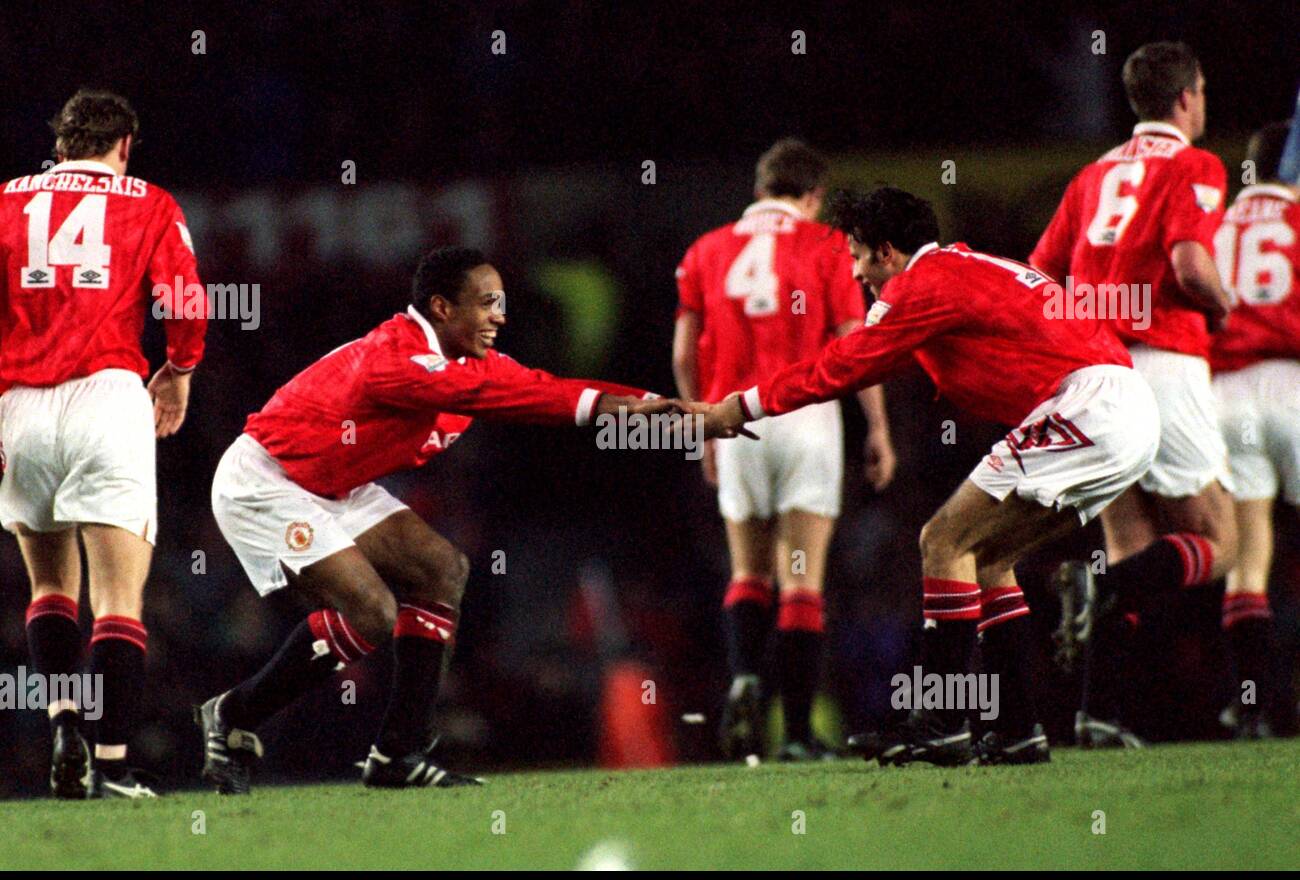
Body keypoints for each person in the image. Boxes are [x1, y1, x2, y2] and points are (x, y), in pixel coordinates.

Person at [695, 186, 1159, 766]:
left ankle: (942, 724)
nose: (859, 273)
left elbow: (846, 363)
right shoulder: (963, 267)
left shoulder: (921, 283)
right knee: (986, 558)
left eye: (860, 256)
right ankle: (1017, 730)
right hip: (1120, 404)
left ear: (887, 252)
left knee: (942, 539)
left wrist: (742, 406)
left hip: (1091, 404)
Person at [198, 246, 684, 793]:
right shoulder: (394, 359)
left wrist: (668, 410)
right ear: (442, 308)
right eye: (486, 303)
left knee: (441, 569)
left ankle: (398, 755)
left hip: (335, 480)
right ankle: (234, 714)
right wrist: (633, 411)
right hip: (268, 479)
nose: (500, 315)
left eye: (501, 302)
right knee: (372, 611)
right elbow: (511, 399)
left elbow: (545, 389)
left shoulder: (468, 363)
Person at [0, 89, 208, 798]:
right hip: (108, 398)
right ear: (124, 147)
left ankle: (63, 724)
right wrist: (178, 372)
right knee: (118, 597)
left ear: (59, 147)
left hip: (20, 405)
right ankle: (114, 763)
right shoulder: (145, 200)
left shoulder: (5, 199)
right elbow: (183, 298)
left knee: (50, 586)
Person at [1031, 42, 1237, 747]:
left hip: (1094, 370)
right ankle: (1102, 599)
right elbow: (1188, 258)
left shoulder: (1093, 175)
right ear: (1186, 97)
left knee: (1131, 548)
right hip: (1164, 361)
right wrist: (1223, 304)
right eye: (1202, 91)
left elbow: (1040, 273)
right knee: (1220, 542)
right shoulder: (1195, 164)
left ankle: (1100, 710)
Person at [672, 139, 895, 761]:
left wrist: (701, 428)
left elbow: (683, 352)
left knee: (749, 572)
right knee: (802, 579)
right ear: (814, 196)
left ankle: (745, 674)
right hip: (805, 416)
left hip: (733, 416)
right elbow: (856, 348)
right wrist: (877, 428)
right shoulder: (826, 246)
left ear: (760, 187)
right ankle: (795, 733)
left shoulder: (707, 250)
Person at [1210, 121, 1300, 738]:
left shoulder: (1213, 224)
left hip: (1226, 395)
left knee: (1248, 556)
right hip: (1292, 383)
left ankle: (1262, 705)